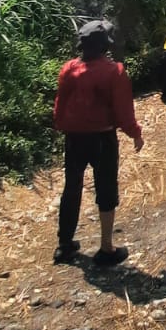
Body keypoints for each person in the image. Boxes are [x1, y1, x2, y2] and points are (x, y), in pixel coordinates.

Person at [53, 20, 143, 267]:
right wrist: (135, 133)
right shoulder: (115, 72)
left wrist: (64, 126)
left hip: (73, 137)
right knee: (106, 189)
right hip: (102, 138)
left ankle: (64, 245)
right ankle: (106, 248)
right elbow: (123, 112)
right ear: (106, 45)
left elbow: (59, 107)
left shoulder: (69, 69)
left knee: (72, 187)